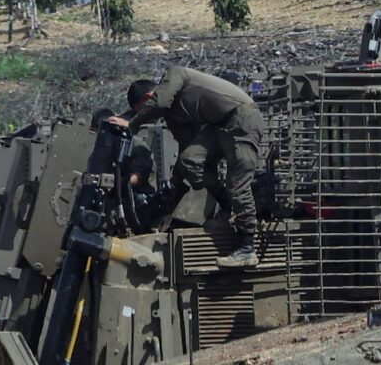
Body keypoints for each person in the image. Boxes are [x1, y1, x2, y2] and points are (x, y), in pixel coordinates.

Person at [108, 67, 265, 268]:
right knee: (189, 160)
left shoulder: (176, 75)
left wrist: (132, 123)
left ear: (148, 97)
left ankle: (247, 247)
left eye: (143, 109)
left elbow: (160, 102)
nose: (148, 116)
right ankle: (226, 203)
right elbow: (186, 147)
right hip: (219, 127)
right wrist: (173, 187)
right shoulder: (173, 114)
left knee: (237, 184)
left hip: (242, 119)